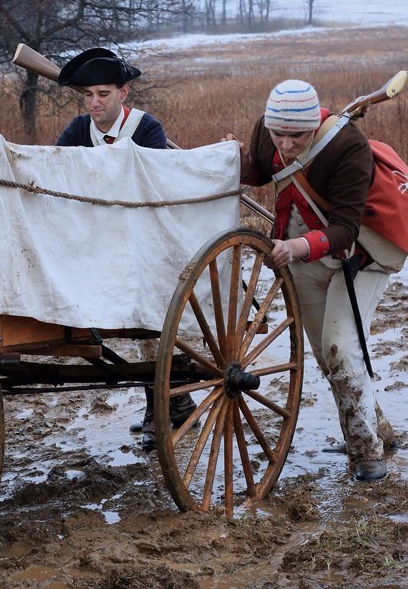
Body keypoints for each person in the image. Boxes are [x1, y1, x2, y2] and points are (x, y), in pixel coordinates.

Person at [224, 79, 398, 481]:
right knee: (325, 353)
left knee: (341, 347)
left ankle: (367, 454)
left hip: (359, 257)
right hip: (300, 254)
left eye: (296, 135)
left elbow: (345, 229)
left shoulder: (347, 147)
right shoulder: (266, 134)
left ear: (312, 126)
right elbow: (261, 171)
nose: (284, 145)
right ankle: (377, 429)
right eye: (277, 134)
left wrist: (298, 247)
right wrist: (235, 157)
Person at [56, 47, 196, 450]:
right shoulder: (77, 131)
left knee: (150, 324)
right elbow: (56, 168)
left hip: (145, 241)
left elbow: (148, 190)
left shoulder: (146, 130)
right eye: (88, 96)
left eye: (103, 94)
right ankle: (177, 402)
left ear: (123, 93)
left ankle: (164, 408)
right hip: (95, 240)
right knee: (138, 330)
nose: (95, 103)